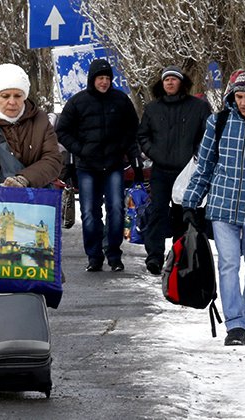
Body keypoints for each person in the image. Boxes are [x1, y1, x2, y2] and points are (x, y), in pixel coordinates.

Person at [181, 71, 245, 346]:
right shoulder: (218, 122)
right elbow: (204, 167)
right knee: (228, 264)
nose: (243, 102)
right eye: (239, 96)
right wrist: (191, 203)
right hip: (222, 205)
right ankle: (235, 325)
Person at [55, 58, 140, 272]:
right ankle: (94, 256)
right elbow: (62, 131)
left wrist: (129, 154)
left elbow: (132, 130)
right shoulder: (77, 102)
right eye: (100, 78)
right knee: (89, 213)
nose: (104, 82)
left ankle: (113, 254)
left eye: (107, 78)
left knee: (116, 209)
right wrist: (80, 149)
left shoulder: (121, 100)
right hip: (87, 167)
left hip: (113, 165)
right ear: (92, 79)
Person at [136, 65, 212, 275]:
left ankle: (179, 256)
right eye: (166, 79)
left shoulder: (198, 107)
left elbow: (207, 136)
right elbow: (143, 135)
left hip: (187, 172)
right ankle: (154, 257)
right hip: (161, 170)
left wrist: (196, 156)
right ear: (161, 84)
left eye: (174, 79)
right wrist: (153, 152)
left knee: (183, 215)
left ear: (182, 82)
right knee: (158, 213)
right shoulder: (153, 108)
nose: (170, 82)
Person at [0, 63, 62, 187]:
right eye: (5, 96)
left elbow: (53, 160)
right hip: (0, 204)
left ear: (25, 96)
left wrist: (25, 179)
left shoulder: (41, 121)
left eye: (18, 96)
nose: (12, 102)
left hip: (41, 201)